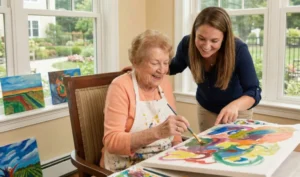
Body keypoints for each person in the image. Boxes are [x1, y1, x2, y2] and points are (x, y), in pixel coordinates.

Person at [100, 29, 190, 172]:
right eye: (155, 63)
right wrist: (158, 132)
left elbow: (174, 130)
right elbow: (111, 141)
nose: (162, 70)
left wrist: (177, 150)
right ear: (136, 62)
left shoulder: (164, 82)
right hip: (128, 167)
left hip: (161, 161)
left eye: (166, 63)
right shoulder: (120, 86)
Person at [169, 7, 261, 131]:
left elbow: (253, 91)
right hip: (206, 109)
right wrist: (145, 66)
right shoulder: (187, 44)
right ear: (194, 32)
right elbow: (174, 67)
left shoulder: (238, 50)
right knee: (208, 148)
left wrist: (235, 106)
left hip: (237, 111)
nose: (206, 46)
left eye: (214, 41)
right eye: (201, 38)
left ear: (224, 39)